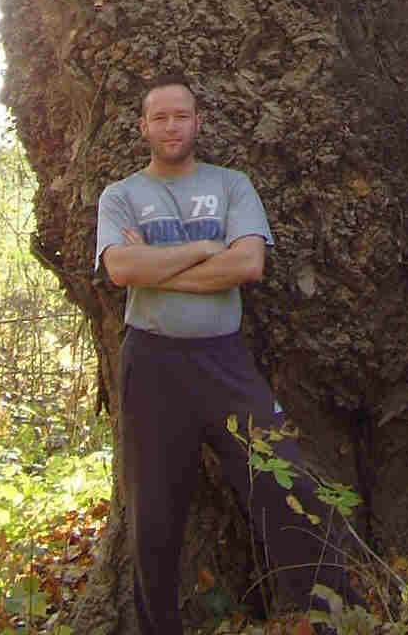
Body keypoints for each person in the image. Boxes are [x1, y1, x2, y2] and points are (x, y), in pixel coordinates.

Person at [96, 72, 353, 635]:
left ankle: (326, 615)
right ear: (143, 125)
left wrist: (160, 270)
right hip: (152, 365)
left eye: (181, 116)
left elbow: (248, 265)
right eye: (159, 117)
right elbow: (120, 269)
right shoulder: (120, 196)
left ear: (197, 122)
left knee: (282, 480)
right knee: (154, 513)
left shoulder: (232, 186)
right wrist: (203, 249)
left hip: (224, 361)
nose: (171, 126)